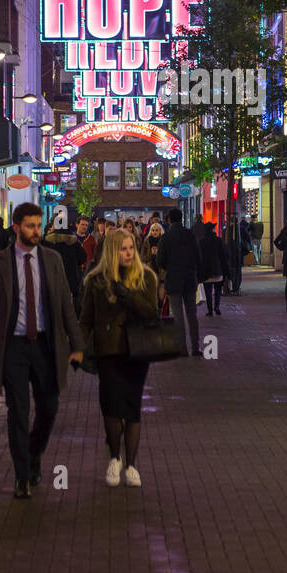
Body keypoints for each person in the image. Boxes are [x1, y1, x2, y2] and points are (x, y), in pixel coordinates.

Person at [0, 202, 84, 499]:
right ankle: (22, 476)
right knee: (17, 411)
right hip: (13, 347)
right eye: (30, 226)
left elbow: (65, 304)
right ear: (16, 227)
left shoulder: (52, 259)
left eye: (38, 225)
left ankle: (34, 453)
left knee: (49, 408)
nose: (36, 231)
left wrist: (77, 344)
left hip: (46, 346)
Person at [80, 228, 160, 487]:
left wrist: (126, 294)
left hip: (137, 351)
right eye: (123, 248)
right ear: (113, 251)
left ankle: (131, 465)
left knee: (133, 408)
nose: (128, 253)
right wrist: (77, 348)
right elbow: (86, 319)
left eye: (131, 248)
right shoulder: (96, 280)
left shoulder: (146, 276)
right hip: (108, 351)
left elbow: (151, 313)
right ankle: (115, 457)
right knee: (112, 407)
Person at [157, 208, 202, 357]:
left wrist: (170, 267)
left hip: (173, 280)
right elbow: (198, 257)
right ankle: (196, 348)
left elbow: (160, 261)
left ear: (169, 220)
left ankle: (182, 349)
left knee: (177, 315)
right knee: (192, 314)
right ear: (182, 219)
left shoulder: (166, 238)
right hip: (189, 279)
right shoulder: (190, 235)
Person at [43, 215, 86, 313]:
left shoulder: (46, 241)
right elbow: (82, 258)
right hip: (70, 280)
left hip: (51, 280)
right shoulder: (73, 241)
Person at [199, 221, 230, 316]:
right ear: (212, 230)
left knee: (208, 291)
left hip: (206, 271)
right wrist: (226, 269)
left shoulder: (201, 242)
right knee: (217, 290)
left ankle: (210, 310)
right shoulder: (218, 240)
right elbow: (224, 255)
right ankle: (217, 306)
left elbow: (199, 257)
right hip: (217, 269)